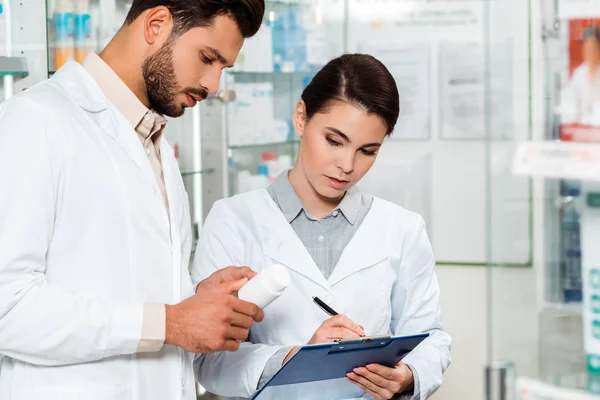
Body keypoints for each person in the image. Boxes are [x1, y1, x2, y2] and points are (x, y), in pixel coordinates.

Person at [0, 1, 266, 400]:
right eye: (207, 58)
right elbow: (7, 307)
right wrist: (171, 322)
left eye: (223, 68)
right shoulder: (36, 120)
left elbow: (120, 287)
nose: (213, 85)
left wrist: (192, 301)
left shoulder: (155, 144)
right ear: (156, 24)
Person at [191, 54, 452, 400]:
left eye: (367, 151)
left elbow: (431, 337)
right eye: (334, 140)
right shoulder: (233, 220)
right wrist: (294, 358)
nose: (346, 165)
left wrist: (405, 376)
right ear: (301, 118)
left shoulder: (402, 229)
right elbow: (207, 360)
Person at [564, 25, 600, 123]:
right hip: (583, 130)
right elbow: (570, 105)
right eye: (587, 48)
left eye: (593, 48)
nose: (590, 53)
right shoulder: (578, 75)